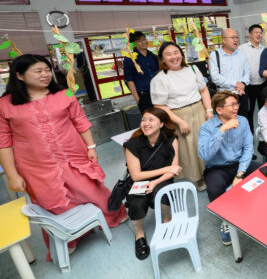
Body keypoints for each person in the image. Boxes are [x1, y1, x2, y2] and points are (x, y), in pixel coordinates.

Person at [0, 54, 127, 255]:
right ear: (19, 75)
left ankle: (113, 216)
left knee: (91, 190)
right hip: (35, 165)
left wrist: (91, 147)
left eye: (47, 70)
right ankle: (69, 238)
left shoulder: (64, 94)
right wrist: (12, 175)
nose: (45, 75)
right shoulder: (5, 104)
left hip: (72, 155)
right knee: (52, 202)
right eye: (38, 71)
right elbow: (3, 142)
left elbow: (80, 121)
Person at [198, 91, 261, 245]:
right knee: (214, 189)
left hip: (240, 163)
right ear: (219, 110)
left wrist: (240, 174)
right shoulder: (206, 128)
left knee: (264, 173)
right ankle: (225, 220)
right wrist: (222, 130)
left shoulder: (243, 121)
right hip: (217, 167)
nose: (236, 107)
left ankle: (257, 207)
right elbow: (205, 155)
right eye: (232, 105)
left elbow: (248, 149)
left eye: (236, 103)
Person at [150, 42, 212, 191]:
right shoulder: (159, 79)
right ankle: (198, 178)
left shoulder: (192, 69)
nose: (174, 57)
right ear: (162, 59)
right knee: (190, 149)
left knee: (206, 143)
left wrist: (209, 109)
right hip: (178, 115)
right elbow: (159, 106)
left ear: (181, 54)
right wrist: (179, 122)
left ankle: (211, 171)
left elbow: (203, 90)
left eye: (176, 52)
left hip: (199, 110)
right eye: (168, 54)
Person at [124, 108, 181, 260]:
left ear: (161, 124)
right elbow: (136, 175)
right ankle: (139, 235)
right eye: (143, 120)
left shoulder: (171, 139)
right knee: (136, 202)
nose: (146, 123)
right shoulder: (132, 145)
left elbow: (174, 170)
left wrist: (156, 182)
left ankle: (167, 220)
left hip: (162, 179)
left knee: (164, 192)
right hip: (140, 182)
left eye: (151, 120)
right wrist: (166, 169)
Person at [209, 28, 250, 120]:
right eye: (232, 37)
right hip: (224, 96)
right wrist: (235, 84)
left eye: (237, 37)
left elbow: (247, 71)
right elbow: (215, 77)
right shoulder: (215, 55)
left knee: (243, 120)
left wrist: (242, 84)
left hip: (241, 94)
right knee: (227, 122)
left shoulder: (241, 54)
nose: (236, 40)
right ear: (224, 40)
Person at [239, 24, 267, 133]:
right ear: (250, 34)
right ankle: (250, 136)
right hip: (248, 86)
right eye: (256, 32)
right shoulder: (241, 48)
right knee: (248, 112)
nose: (259, 34)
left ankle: (265, 134)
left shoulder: (264, 49)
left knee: (264, 112)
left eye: (260, 33)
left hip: (262, 85)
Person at [124, 31, 159, 114]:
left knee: (162, 117)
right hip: (144, 96)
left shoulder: (153, 56)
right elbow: (129, 80)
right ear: (133, 44)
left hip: (158, 93)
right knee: (149, 119)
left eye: (144, 39)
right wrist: (138, 100)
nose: (144, 42)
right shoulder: (130, 59)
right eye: (139, 41)